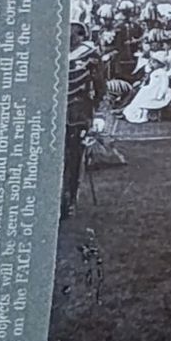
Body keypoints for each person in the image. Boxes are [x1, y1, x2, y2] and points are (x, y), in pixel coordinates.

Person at [62, 16, 106, 218]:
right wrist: (95, 106)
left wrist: (93, 107)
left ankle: (67, 198)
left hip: (75, 113)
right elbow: (99, 87)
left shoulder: (89, 54)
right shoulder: (89, 54)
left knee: (71, 157)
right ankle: (68, 198)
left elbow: (99, 86)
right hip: (76, 113)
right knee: (73, 158)